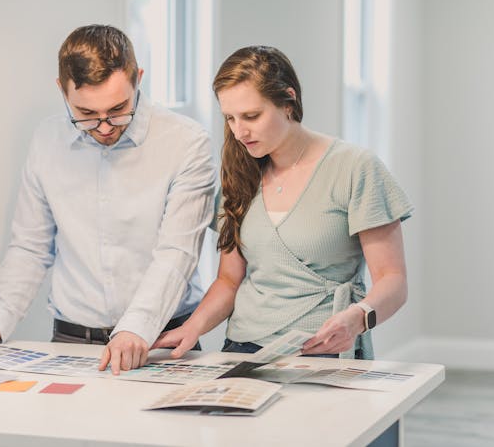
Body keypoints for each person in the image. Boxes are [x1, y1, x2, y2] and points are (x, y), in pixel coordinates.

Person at [0, 25, 216, 373]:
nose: (105, 127)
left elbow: (176, 255)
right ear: (62, 90)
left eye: (119, 108)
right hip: (71, 342)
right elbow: (31, 246)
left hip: (160, 341)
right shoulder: (48, 140)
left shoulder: (186, 142)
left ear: (139, 78)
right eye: (87, 114)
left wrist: (136, 327)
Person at [153, 45, 412, 359]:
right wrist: (192, 327)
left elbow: (393, 280)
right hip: (242, 349)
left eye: (251, 116)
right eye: (230, 118)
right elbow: (228, 279)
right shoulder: (239, 175)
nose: (239, 131)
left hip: (322, 348)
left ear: (289, 101)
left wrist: (358, 319)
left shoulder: (355, 168)